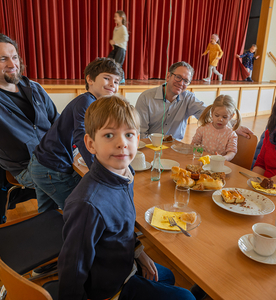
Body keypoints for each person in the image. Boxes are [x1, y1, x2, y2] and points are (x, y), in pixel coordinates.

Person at [58, 95, 197, 300]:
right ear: (90, 144)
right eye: (108, 135)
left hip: (124, 264)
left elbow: (121, 228)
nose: (122, 143)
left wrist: (139, 253)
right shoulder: (87, 205)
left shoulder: (125, 173)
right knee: (187, 298)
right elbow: (72, 269)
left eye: (129, 134)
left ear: (138, 139)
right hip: (108, 289)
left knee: (166, 276)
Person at [28, 57, 123, 212]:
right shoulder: (86, 101)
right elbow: (82, 135)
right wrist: (97, 171)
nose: (113, 84)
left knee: (46, 216)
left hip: (41, 163)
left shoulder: (93, 103)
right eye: (107, 78)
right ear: (90, 79)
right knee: (80, 210)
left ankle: (48, 235)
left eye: (117, 81)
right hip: (51, 168)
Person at [135, 61, 252, 141]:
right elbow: (141, 133)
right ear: (168, 76)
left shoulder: (188, 98)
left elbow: (209, 114)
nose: (181, 83)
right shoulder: (146, 98)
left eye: (186, 81)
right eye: (178, 77)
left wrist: (233, 124)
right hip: (150, 148)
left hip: (174, 149)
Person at [0, 33, 59, 188]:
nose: (12, 64)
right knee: (79, 185)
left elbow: (57, 121)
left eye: (14, 57)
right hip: (25, 168)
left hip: (55, 157)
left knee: (98, 170)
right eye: (3, 59)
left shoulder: (35, 88)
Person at [191, 94, 241, 161]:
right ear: (212, 113)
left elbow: (232, 152)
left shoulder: (231, 134)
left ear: (231, 116)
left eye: (224, 117)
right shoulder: (203, 129)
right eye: (217, 115)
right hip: (202, 162)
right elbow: (194, 144)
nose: (220, 119)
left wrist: (224, 158)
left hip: (219, 165)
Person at [108, 10, 129, 84]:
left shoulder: (123, 28)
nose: (114, 18)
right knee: (109, 61)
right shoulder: (115, 28)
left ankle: (122, 78)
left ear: (121, 18)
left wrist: (116, 42)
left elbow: (125, 38)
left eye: (116, 16)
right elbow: (115, 38)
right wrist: (113, 44)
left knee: (118, 64)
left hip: (121, 48)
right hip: (116, 48)